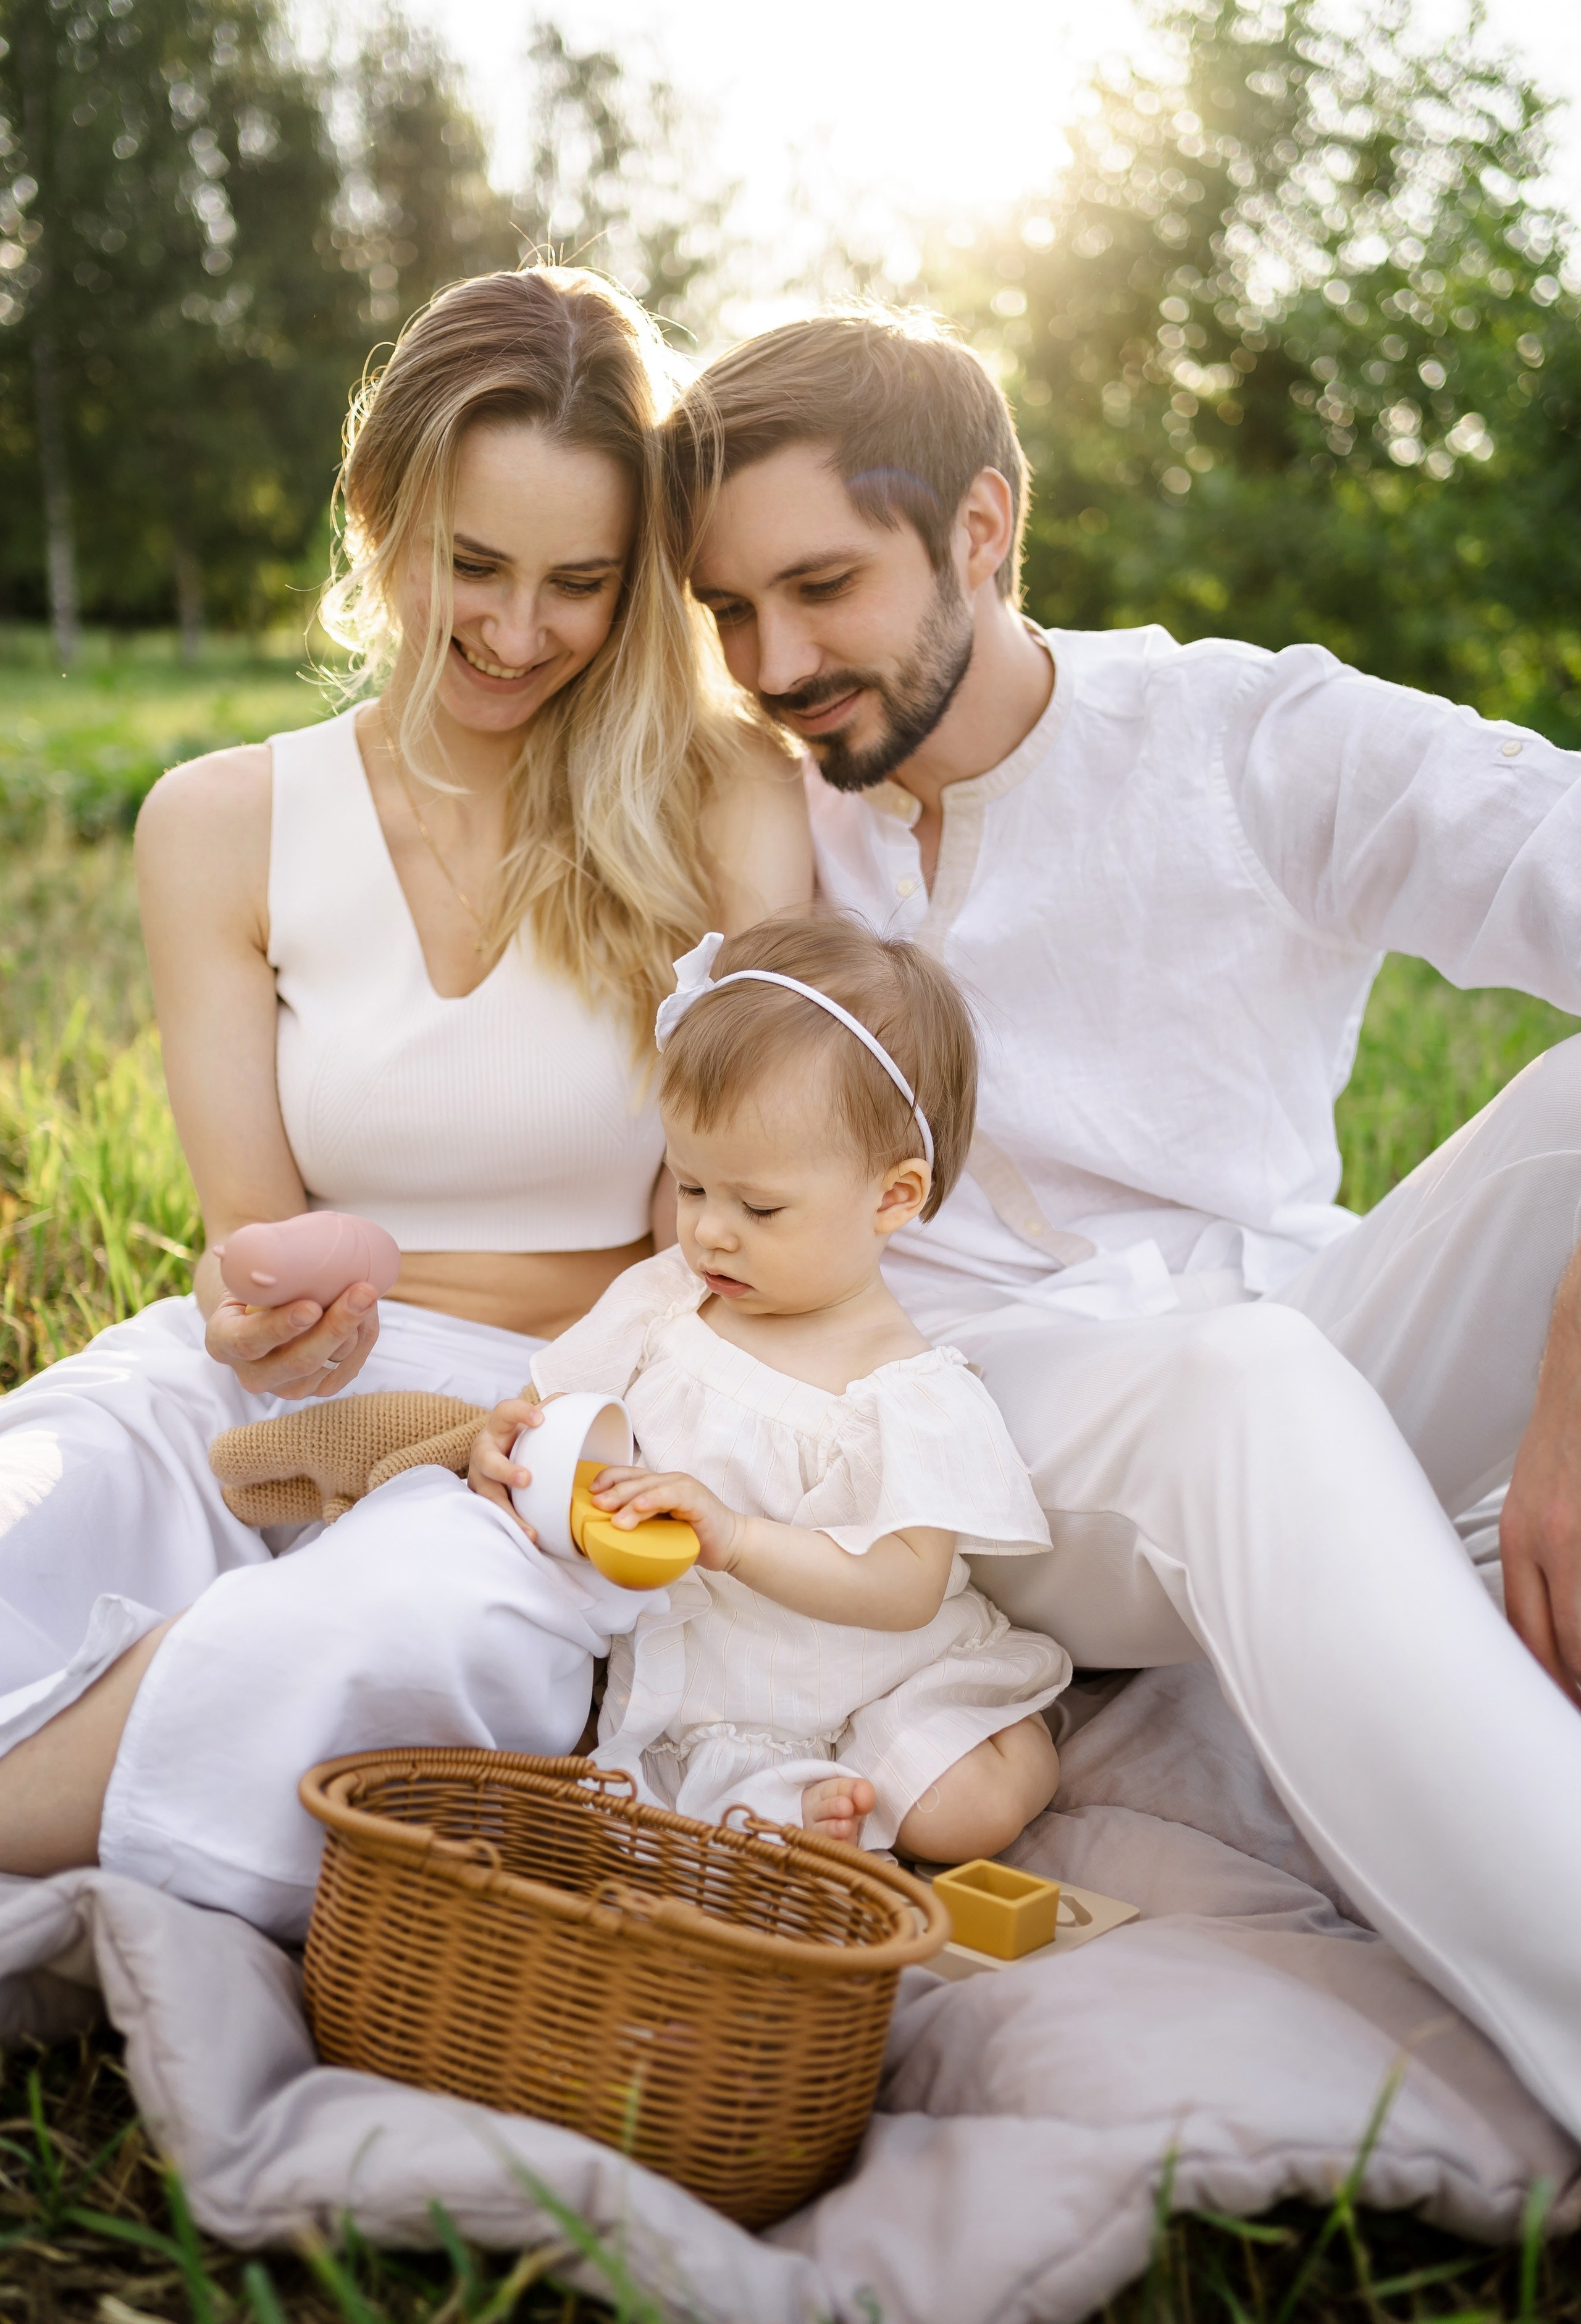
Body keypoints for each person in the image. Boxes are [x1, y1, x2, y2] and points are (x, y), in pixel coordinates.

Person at [660, 308, 1581, 2137]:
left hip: (1311, 1342)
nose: (773, 662)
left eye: (822, 588)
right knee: (1241, 1385)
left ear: (980, 530)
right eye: (730, 612)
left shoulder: (1245, 739)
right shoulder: (760, 813)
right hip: (971, 1429)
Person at [0, 264, 811, 1877]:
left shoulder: (719, 800)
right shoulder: (219, 823)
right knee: (35, 1501)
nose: (515, 633)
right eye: (472, 565)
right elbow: (249, 1246)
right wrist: (255, 1310)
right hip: (284, 1393)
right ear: (379, 520)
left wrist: (553, 1427)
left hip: (563, 1410)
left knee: (403, 1628)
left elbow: (745, 1230)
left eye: (579, 583)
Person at [466, 913, 1069, 1855]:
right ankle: (811, 1811)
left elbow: (907, 1587)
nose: (710, 1232)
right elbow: (557, 1415)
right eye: (692, 1188)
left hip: (879, 1679)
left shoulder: (906, 1390)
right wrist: (511, 1449)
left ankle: (1006, 1745)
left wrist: (739, 1538)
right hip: (715, 1693)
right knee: (628, 1784)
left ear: (894, 1196)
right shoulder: (666, 1304)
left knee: (964, 1808)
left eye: (758, 1206)